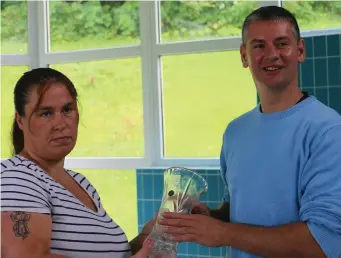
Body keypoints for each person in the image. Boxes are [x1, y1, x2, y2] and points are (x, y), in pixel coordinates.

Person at [158, 5, 341, 258]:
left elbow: (323, 241)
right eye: (259, 46)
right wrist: (214, 217)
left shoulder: (327, 131)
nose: (272, 54)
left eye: (281, 44)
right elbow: (239, 209)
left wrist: (225, 234)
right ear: (244, 56)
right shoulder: (235, 132)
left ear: (300, 51)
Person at [1, 67, 155, 258]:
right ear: (20, 121)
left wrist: (149, 236)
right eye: (46, 113)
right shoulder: (17, 178)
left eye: (67, 109)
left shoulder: (80, 183)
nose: (60, 123)